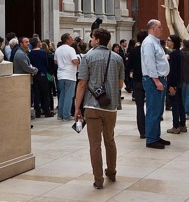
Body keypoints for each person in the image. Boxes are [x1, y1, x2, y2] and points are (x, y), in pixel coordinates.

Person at [73, 28, 124, 189]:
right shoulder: (117, 58)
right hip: (110, 106)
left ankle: (98, 179)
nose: (91, 40)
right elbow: (120, 84)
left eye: (92, 38)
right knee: (110, 140)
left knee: (94, 144)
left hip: (92, 105)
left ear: (96, 40)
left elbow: (82, 83)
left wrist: (77, 108)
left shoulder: (88, 57)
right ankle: (112, 171)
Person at [140, 20, 171, 149]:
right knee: (153, 110)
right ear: (153, 28)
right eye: (159, 27)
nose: (162, 29)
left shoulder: (155, 42)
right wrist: (156, 80)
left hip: (160, 79)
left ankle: (156, 135)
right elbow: (150, 63)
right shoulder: (148, 43)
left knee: (158, 110)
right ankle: (151, 139)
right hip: (153, 80)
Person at [54, 33, 79, 120]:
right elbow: (74, 61)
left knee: (62, 95)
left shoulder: (58, 49)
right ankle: (66, 115)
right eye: (71, 38)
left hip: (60, 74)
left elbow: (55, 61)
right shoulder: (71, 49)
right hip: (70, 74)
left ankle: (60, 115)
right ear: (67, 39)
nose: (72, 39)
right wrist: (79, 62)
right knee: (69, 96)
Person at [126, 30, 147, 133]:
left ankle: (142, 131)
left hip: (137, 80)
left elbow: (128, 66)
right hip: (150, 80)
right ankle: (150, 130)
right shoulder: (150, 49)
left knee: (139, 107)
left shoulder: (134, 51)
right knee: (151, 106)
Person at [165, 35, 186, 134]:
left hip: (174, 83)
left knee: (175, 105)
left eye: (169, 40)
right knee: (180, 104)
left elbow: (172, 71)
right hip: (180, 82)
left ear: (173, 42)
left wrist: (170, 85)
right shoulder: (180, 53)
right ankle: (182, 124)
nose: (167, 41)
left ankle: (176, 126)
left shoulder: (174, 55)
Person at [28, 36, 53, 117]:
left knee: (36, 93)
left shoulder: (30, 53)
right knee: (45, 94)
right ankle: (46, 111)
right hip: (42, 73)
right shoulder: (42, 52)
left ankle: (37, 111)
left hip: (35, 75)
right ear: (38, 43)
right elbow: (46, 64)